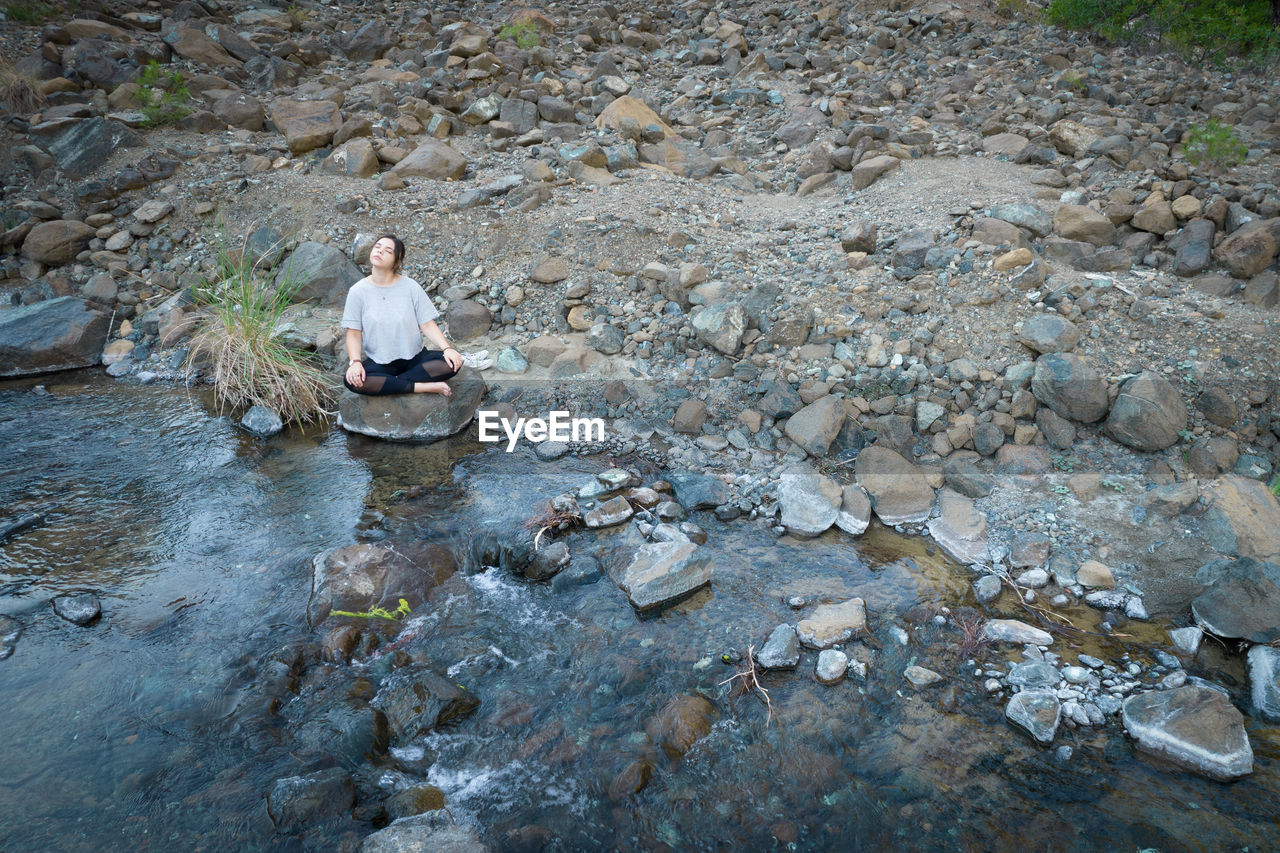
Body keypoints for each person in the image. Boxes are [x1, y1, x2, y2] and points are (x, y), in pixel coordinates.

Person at [341, 234, 464, 396]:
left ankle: (392, 383)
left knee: (451, 363)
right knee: (351, 381)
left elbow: (426, 324)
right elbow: (354, 333)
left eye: (388, 251)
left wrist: (447, 348)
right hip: (380, 363)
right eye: (377, 247)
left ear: (397, 262)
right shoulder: (358, 291)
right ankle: (423, 386)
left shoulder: (410, 287)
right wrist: (355, 362)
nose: (380, 251)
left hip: (416, 358)